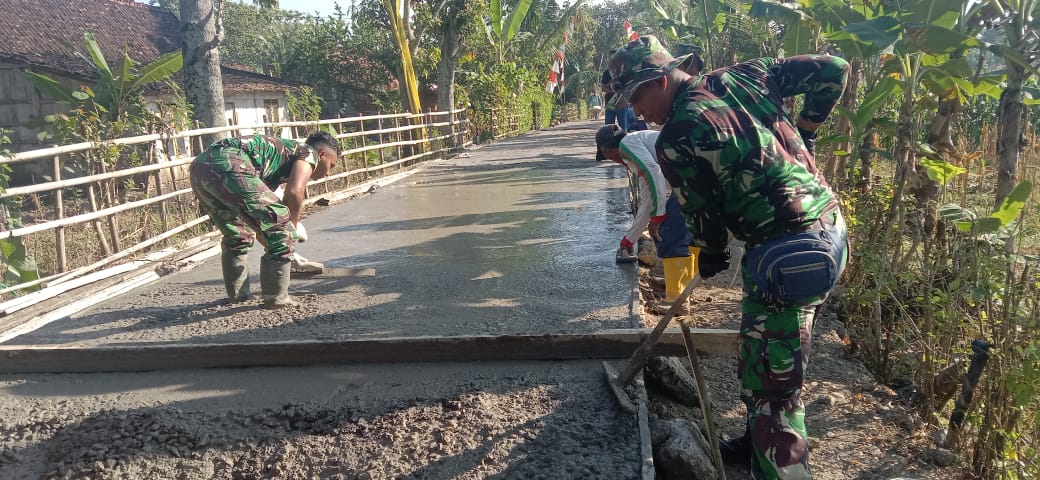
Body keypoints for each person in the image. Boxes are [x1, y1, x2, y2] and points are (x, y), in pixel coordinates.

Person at [609, 35, 850, 479]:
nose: (638, 113)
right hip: (831, 233)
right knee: (767, 358)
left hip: (787, 255)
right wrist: (808, 130)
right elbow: (833, 67)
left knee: (774, 393)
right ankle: (755, 438)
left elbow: (701, 211)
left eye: (638, 99)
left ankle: (777, 458)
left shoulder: (678, 135)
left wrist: (711, 251)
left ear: (661, 80)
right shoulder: (747, 75)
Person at [189, 131, 339, 309]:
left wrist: (280, 246)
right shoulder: (308, 153)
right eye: (331, 165)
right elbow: (294, 192)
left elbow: (260, 224)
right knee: (282, 226)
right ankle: (277, 299)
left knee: (238, 234)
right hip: (231, 163)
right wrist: (289, 233)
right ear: (321, 155)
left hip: (200, 167)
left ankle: (238, 297)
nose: (328, 173)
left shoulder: (274, 161)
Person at [596, 125, 695, 308]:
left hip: (692, 180)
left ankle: (677, 299)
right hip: (692, 179)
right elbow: (647, 202)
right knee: (690, 235)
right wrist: (629, 239)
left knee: (670, 233)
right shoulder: (639, 153)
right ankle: (681, 284)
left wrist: (658, 217)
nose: (612, 161)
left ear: (608, 150)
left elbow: (654, 173)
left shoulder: (627, 145)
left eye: (607, 156)